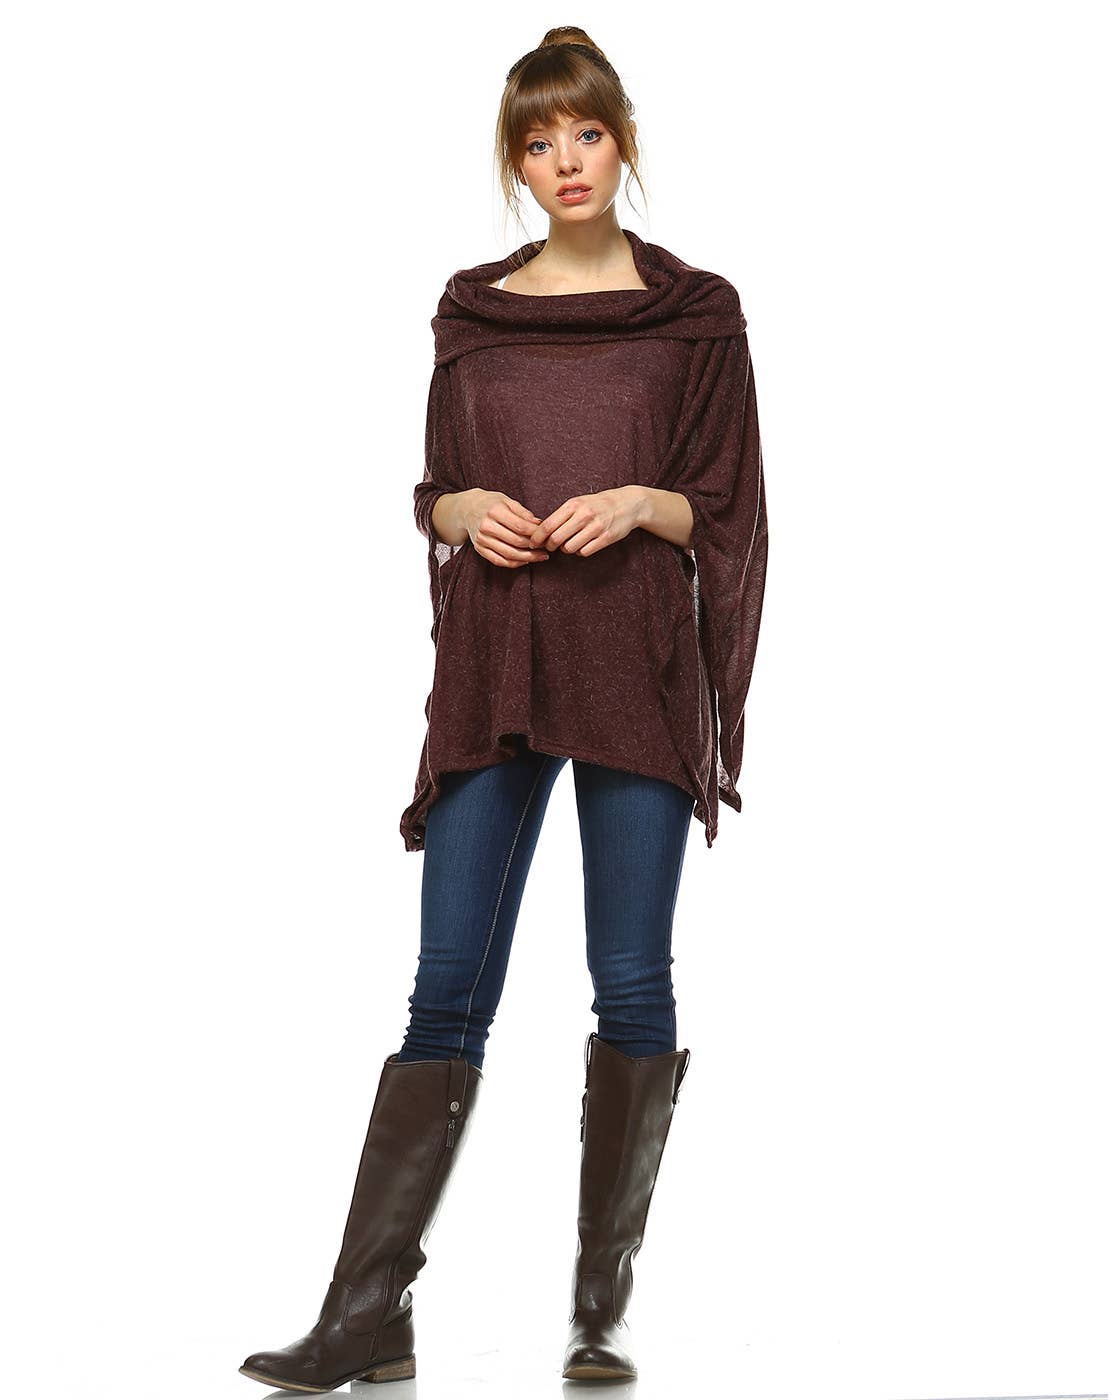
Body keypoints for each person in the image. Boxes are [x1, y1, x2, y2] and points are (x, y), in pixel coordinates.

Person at [239, 25, 767, 1391]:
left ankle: (600, 1312)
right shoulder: (472, 309)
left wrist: (643, 502)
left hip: (634, 662)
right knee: (446, 985)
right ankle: (366, 1311)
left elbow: (727, 505)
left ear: (622, 141)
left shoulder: (697, 311)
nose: (564, 160)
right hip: (498, 661)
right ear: (514, 162)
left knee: (630, 976)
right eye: (538, 141)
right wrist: (459, 507)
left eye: (585, 133)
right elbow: (438, 488)